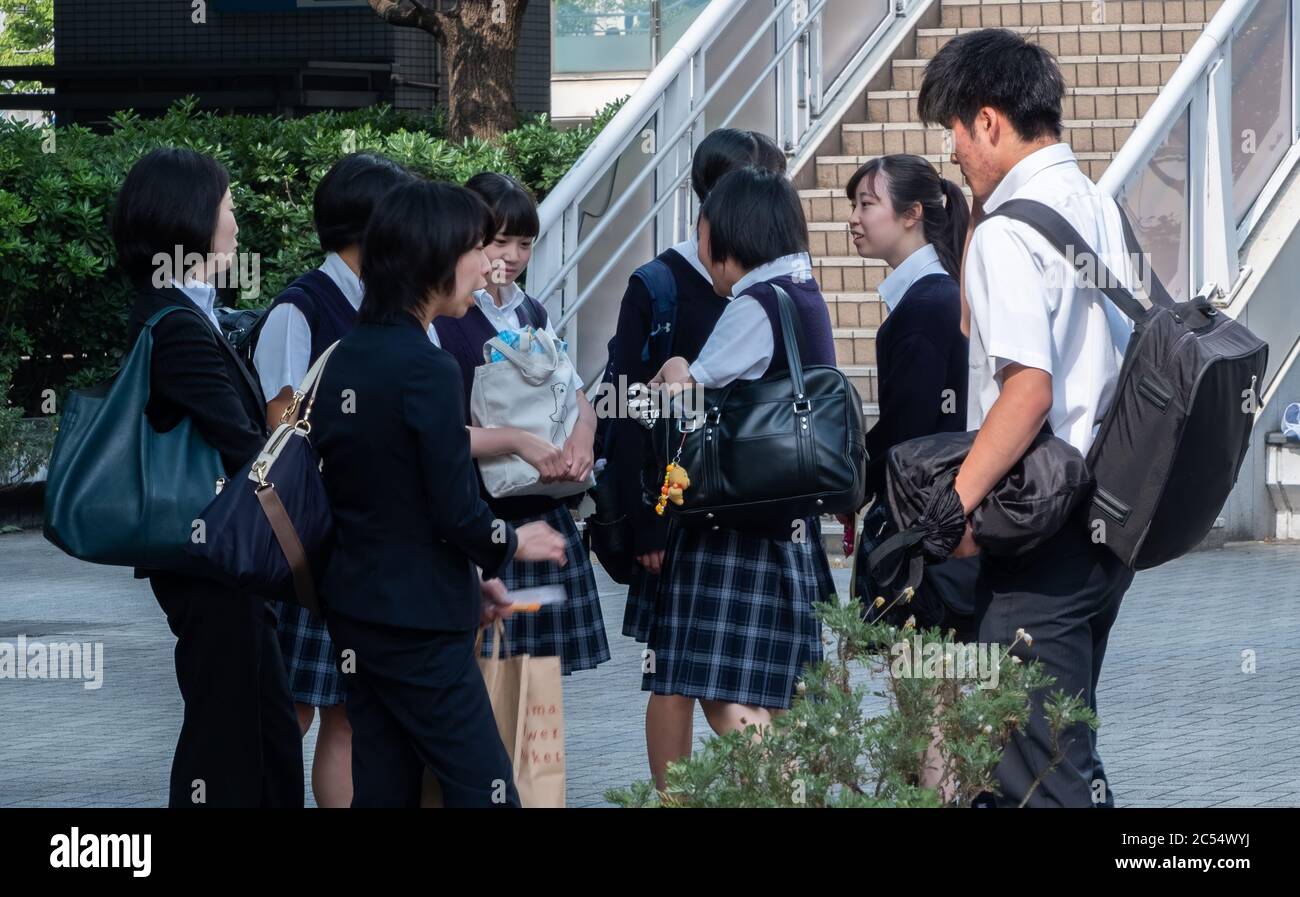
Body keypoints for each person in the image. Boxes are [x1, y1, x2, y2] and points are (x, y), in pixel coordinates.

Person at [918, 27, 1137, 807]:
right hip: (1105, 524)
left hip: (1037, 540)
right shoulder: (1093, 204)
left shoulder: (1011, 231)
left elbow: (1026, 390)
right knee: (1058, 740)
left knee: (1038, 771)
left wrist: (953, 504)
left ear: (987, 121)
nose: (952, 154)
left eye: (953, 131)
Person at [312, 178, 567, 807]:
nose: (488, 265)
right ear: (433, 261)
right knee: (487, 788)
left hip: (360, 609)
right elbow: (455, 510)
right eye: (476, 249)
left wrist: (470, 575)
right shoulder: (425, 366)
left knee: (385, 785)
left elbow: (390, 495)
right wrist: (513, 540)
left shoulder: (347, 355)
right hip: (420, 626)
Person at [602, 128, 791, 789]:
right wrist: (646, 522)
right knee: (675, 676)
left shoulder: (769, 286)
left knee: (746, 679)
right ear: (712, 203)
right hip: (680, 510)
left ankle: (772, 791)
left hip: (747, 507)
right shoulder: (659, 283)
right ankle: (673, 799)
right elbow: (626, 407)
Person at [115, 147, 302, 807]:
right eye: (227, 207)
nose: (236, 223)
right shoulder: (177, 325)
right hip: (210, 561)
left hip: (221, 558)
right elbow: (247, 448)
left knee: (260, 723)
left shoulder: (186, 312)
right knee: (227, 734)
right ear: (190, 219)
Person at [647, 166, 837, 781]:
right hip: (787, 525)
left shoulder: (754, 305)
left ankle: (786, 792)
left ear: (725, 235)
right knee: (770, 691)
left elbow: (688, 405)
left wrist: (675, 370)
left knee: (711, 683)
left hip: (734, 525)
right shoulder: (802, 294)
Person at [252, 152, 411, 808]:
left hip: (360, 538)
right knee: (296, 707)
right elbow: (280, 423)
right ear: (370, 228)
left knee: (346, 709)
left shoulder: (383, 307)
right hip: (311, 539)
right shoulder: (301, 307)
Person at [433, 171, 609, 676]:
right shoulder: (444, 317)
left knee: (539, 693)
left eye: (525, 243)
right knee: (480, 683)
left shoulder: (532, 311)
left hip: (545, 509)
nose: (510, 256)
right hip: (482, 514)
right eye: (498, 240)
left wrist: (582, 437)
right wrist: (520, 443)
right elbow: (437, 434)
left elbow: (577, 397)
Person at [844, 153, 976, 639]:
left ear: (912, 213)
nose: (853, 218)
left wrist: (854, 480)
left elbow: (911, 434)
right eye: (853, 205)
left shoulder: (925, 306)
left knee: (929, 687)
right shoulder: (937, 296)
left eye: (866, 204)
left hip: (928, 526)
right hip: (942, 518)